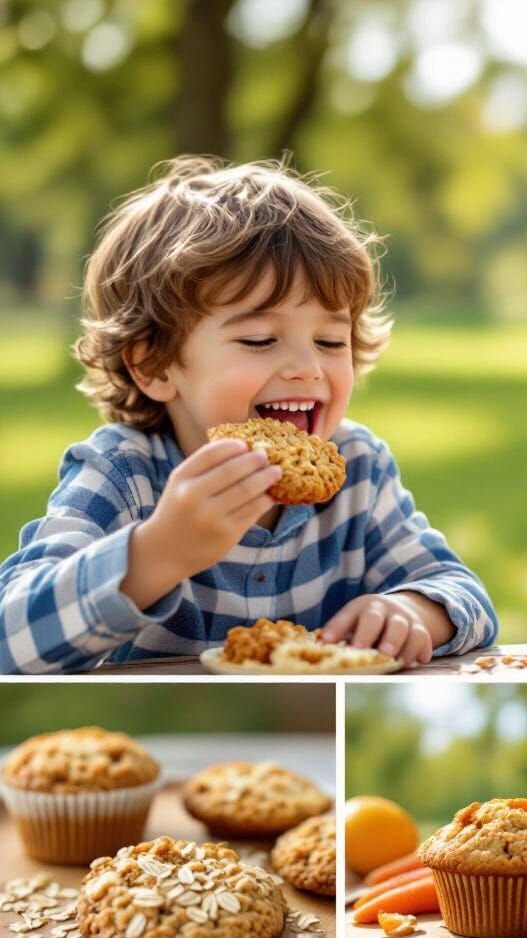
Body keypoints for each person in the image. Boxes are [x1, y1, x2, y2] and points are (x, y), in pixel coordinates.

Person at [0, 157, 497, 672]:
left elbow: (465, 596)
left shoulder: (358, 470)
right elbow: (8, 639)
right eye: (259, 340)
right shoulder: (123, 475)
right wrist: (158, 554)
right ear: (154, 364)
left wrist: (409, 609)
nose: (307, 368)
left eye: (331, 340)